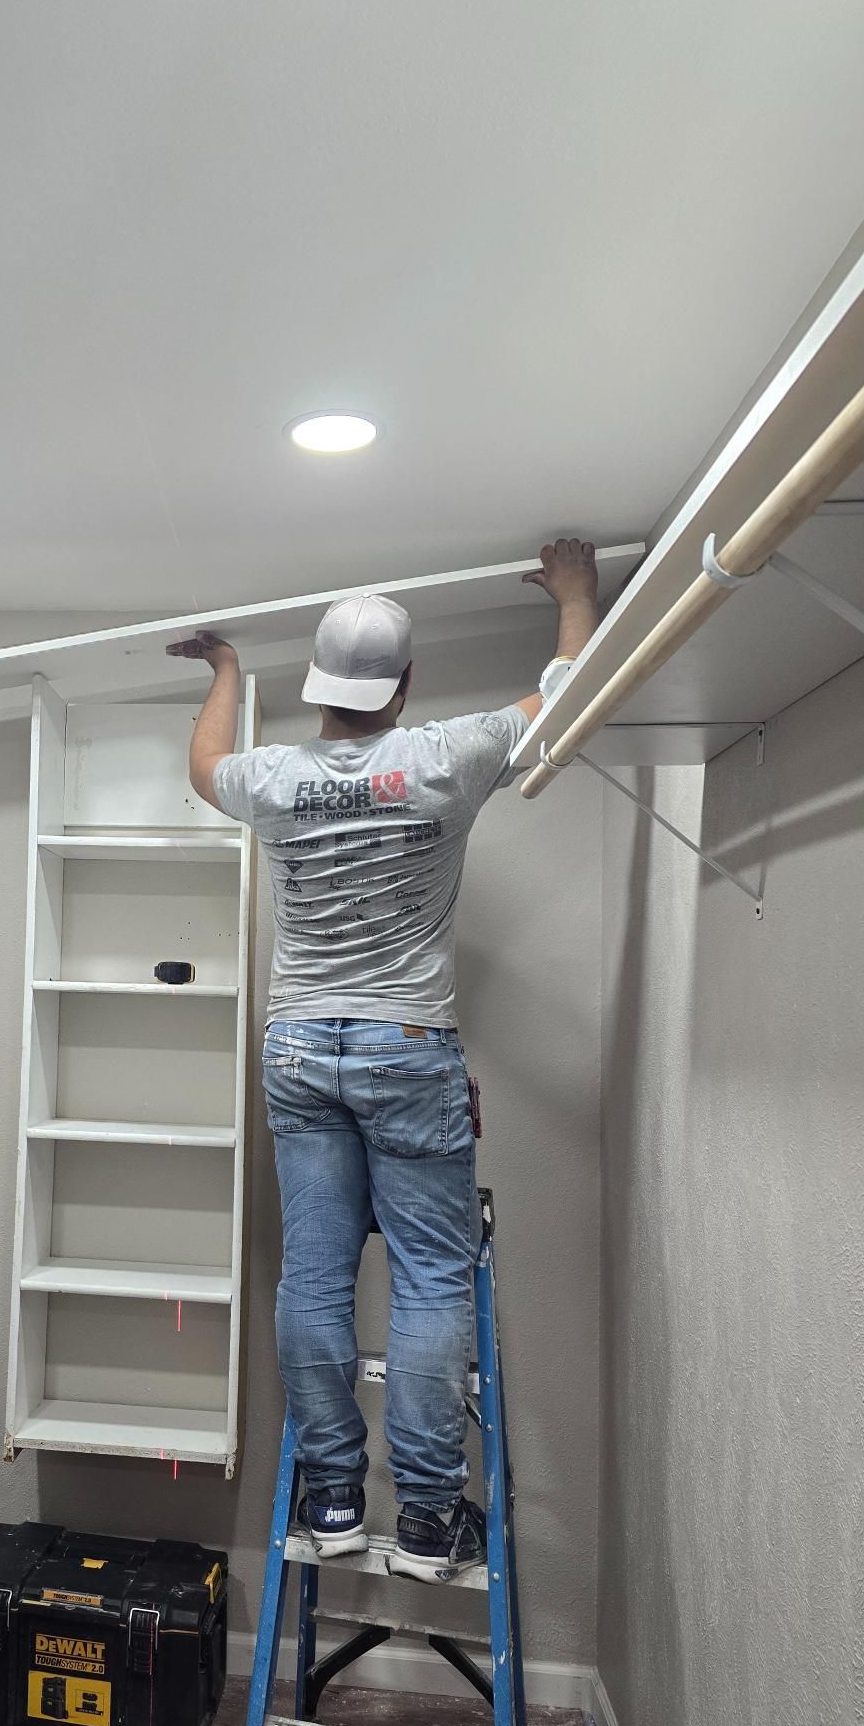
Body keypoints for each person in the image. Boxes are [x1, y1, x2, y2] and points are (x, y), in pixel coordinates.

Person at [169, 538, 600, 1580]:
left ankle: (328, 1500)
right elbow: (567, 703)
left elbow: (202, 767)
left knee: (315, 1278)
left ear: (319, 683)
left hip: (300, 1044)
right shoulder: (447, 755)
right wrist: (578, 594)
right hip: (408, 1044)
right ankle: (423, 1520)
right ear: (406, 684)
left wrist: (225, 669)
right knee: (431, 1280)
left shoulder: (274, 777)